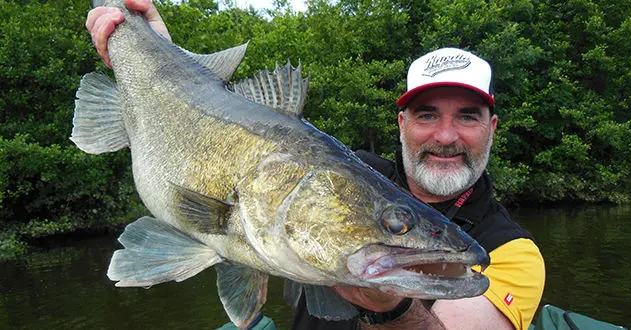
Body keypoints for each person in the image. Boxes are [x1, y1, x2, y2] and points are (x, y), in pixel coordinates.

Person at [86, 1, 545, 329]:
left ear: (492, 128)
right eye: (428, 114)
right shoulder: (358, 171)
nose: (446, 135)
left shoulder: (512, 250)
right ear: (402, 124)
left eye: (468, 116)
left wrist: (389, 308)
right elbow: (205, 106)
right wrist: (152, 45)